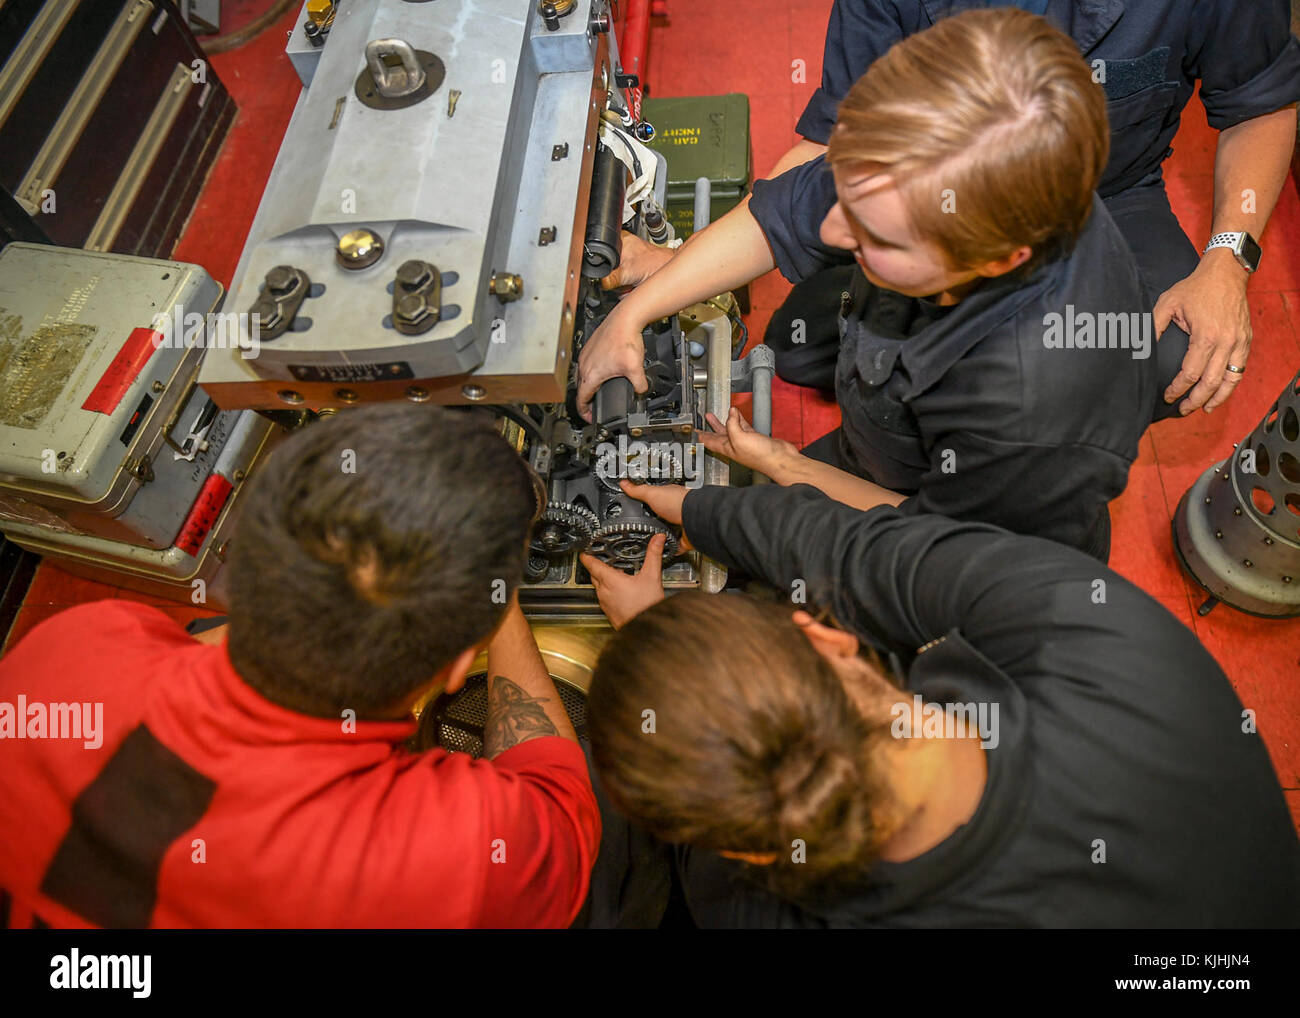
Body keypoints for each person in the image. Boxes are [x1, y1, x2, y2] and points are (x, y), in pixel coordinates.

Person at [582, 480, 1300, 927]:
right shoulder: (1096, 627)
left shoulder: (738, 903)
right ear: (827, 644)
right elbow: (854, 548)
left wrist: (650, 641)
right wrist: (699, 508)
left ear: (743, 849)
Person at [580, 8, 1156, 560]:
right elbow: (776, 217)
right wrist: (631, 315)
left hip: (965, 554)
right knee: (793, 345)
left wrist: (746, 500)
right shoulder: (928, 154)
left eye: (874, 235)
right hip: (889, 439)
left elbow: (934, 547)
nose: (831, 228)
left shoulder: (1033, 414)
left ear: (1001, 258)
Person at [0, 404, 600, 929]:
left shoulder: (75, 647)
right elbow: (561, 799)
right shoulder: (455, 859)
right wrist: (496, 596)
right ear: (457, 667)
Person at [614, 0, 1300, 418]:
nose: (839, 229)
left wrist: (1228, 259)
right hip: (928, 185)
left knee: (1169, 354)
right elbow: (826, 162)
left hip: (1111, 199)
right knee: (804, 350)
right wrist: (678, 268)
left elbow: (1263, 99)